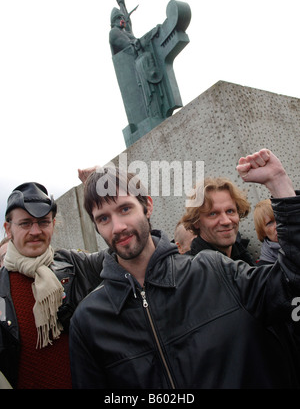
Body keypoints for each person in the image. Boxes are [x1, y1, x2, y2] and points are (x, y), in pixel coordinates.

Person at [69, 148, 300, 389]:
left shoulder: (213, 271)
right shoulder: (88, 321)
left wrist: (279, 183)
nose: (117, 227)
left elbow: (290, 283)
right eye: (103, 218)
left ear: (147, 206)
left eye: (125, 209)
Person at [0, 182, 104, 389]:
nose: (35, 231)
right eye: (25, 223)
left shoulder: (77, 265)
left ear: (53, 224)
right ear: (8, 229)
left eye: (43, 222)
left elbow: (124, 252)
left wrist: (101, 182)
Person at [180, 177, 255, 265]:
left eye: (230, 211)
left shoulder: (243, 258)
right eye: (213, 214)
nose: (226, 221)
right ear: (196, 222)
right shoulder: (188, 271)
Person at [253, 198, 280, 265]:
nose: (277, 226)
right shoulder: (265, 268)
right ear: (263, 232)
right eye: (269, 223)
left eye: (279, 218)